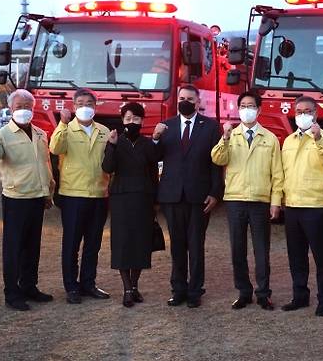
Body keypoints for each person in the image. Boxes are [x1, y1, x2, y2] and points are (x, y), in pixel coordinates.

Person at [0, 89, 54, 311]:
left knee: (32, 246)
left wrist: (48, 193)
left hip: (37, 197)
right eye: (19, 106)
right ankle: (12, 293)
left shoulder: (41, 133)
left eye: (27, 106)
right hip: (16, 198)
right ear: (10, 109)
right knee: (14, 248)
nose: (24, 110)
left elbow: (46, 164)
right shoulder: (2, 134)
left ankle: (29, 286)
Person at [152, 84, 223, 308]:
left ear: (198, 102)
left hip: (199, 197)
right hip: (172, 196)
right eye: (182, 97)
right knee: (177, 245)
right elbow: (154, 158)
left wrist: (215, 192)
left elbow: (216, 164)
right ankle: (178, 289)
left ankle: (195, 291)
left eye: (190, 99)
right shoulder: (166, 127)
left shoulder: (211, 127)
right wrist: (155, 138)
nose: (185, 101)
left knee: (196, 244)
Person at [211, 91, 284, 311]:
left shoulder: (269, 138)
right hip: (235, 199)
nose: (246, 109)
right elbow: (217, 158)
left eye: (251, 106)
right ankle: (243, 292)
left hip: (260, 200)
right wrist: (224, 137)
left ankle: (263, 293)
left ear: (259, 110)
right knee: (237, 249)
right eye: (242, 106)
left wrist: (276, 201)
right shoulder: (230, 135)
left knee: (261, 250)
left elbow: (278, 174)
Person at [49, 88, 111, 304]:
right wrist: (62, 124)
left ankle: (88, 283)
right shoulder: (65, 130)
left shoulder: (104, 131)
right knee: (72, 243)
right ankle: (71, 286)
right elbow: (55, 148)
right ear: (74, 106)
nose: (85, 107)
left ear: (95, 106)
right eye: (80, 103)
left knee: (93, 243)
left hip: (99, 194)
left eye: (89, 103)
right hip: (73, 194)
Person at [280, 95, 323, 317]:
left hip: (316, 205)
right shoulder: (289, 141)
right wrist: (279, 200)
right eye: (299, 111)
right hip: (292, 204)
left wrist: (318, 139)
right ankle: (299, 295)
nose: (303, 115)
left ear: (316, 114)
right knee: (296, 254)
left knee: (321, 255)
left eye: (307, 111)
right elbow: (281, 173)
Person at [102, 102, 159, 308]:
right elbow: (107, 167)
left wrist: (156, 199)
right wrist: (112, 145)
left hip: (144, 197)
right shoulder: (116, 141)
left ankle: (134, 286)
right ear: (122, 120)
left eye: (136, 119)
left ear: (142, 121)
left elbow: (154, 171)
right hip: (121, 197)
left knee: (141, 243)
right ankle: (126, 288)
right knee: (123, 243)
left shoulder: (147, 144)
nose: (132, 122)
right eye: (127, 119)